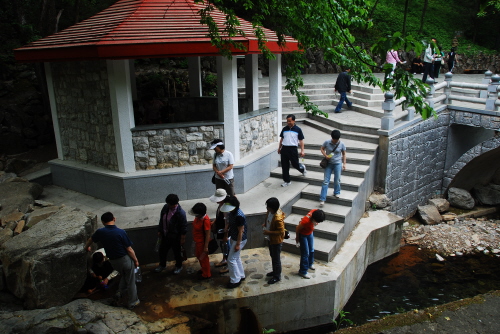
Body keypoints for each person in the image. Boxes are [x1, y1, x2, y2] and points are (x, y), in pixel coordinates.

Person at [84, 212, 140, 309]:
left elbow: (90, 239)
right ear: (114, 219)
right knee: (131, 280)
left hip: (113, 261)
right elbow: (129, 249)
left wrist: (86, 247)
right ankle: (133, 302)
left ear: (102, 222)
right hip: (124, 259)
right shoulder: (121, 232)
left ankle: (119, 293)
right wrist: (135, 260)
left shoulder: (100, 232)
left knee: (125, 275)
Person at [154, 194, 187, 274]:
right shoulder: (165, 208)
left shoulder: (180, 213)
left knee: (177, 253)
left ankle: (178, 266)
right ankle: (162, 265)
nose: (168, 205)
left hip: (175, 237)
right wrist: (160, 230)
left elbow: (183, 227)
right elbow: (162, 219)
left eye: (170, 204)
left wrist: (182, 238)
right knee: (162, 251)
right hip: (166, 235)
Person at [221, 195, 248, 288]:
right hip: (234, 237)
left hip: (239, 239)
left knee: (231, 259)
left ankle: (235, 280)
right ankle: (241, 275)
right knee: (236, 258)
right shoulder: (232, 212)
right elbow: (230, 222)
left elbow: (241, 231)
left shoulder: (239, 215)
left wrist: (238, 244)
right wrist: (227, 227)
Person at [295, 209, 325, 279]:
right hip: (303, 235)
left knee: (311, 249)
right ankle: (303, 271)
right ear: (314, 219)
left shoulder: (315, 211)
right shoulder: (306, 221)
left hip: (310, 232)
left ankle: (310, 264)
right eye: (317, 221)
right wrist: (297, 238)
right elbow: (297, 228)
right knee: (305, 253)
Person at [319, 130, 347, 206]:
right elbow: (322, 148)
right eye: (334, 140)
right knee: (325, 181)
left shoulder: (342, 144)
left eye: (337, 140)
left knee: (337, 179)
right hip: (329, 164)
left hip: (337, 163)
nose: (335, 141)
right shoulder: (327, 142)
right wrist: (325, 155)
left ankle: (337, 192)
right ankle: (322, 198)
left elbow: (344, 154)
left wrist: (344, 163)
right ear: (332, 138)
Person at [278, 114, 306, 187]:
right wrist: (279, 148)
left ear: (294, 121)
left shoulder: (298, 129)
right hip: (284, 149)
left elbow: (301, 141)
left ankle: (302, 168)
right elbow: (281, 139)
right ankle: (287, 181)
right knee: (284, 166)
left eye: (290, 121)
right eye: (287, 121)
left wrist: (302, 150)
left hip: (293, 149)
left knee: (295, 164)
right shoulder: (284, 129)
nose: (288, 122)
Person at [262, 197, 285, 284]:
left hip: (276, 241)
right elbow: (268, 218)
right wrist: (265, 224)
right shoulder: (270, 212)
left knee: (276, 258)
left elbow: (280, 231)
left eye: (268, 207)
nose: (267, 208)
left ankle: (277, 276)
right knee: (273, 256)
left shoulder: (278, 218)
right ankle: (275, 271)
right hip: (270, 239)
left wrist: (269, 232)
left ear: (272, 208)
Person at [209, 188, 230, 273]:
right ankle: (224, 259)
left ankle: (229, 265)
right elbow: (219, 216)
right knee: (223, 246)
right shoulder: (220, 206)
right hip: (221, 230)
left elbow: (227, 223)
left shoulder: (226, 208)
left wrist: (226, 235)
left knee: (227, 247)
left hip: (225, 232)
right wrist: (214, 222)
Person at [189, 203, 212, 280]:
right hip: (197, 241)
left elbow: (207, 234)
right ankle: (203, 269)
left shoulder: (205, 220)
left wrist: (206, 247)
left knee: (204, 258)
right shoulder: (198, 218)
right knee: (199, 256)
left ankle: (207, 274)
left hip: (202, 243)